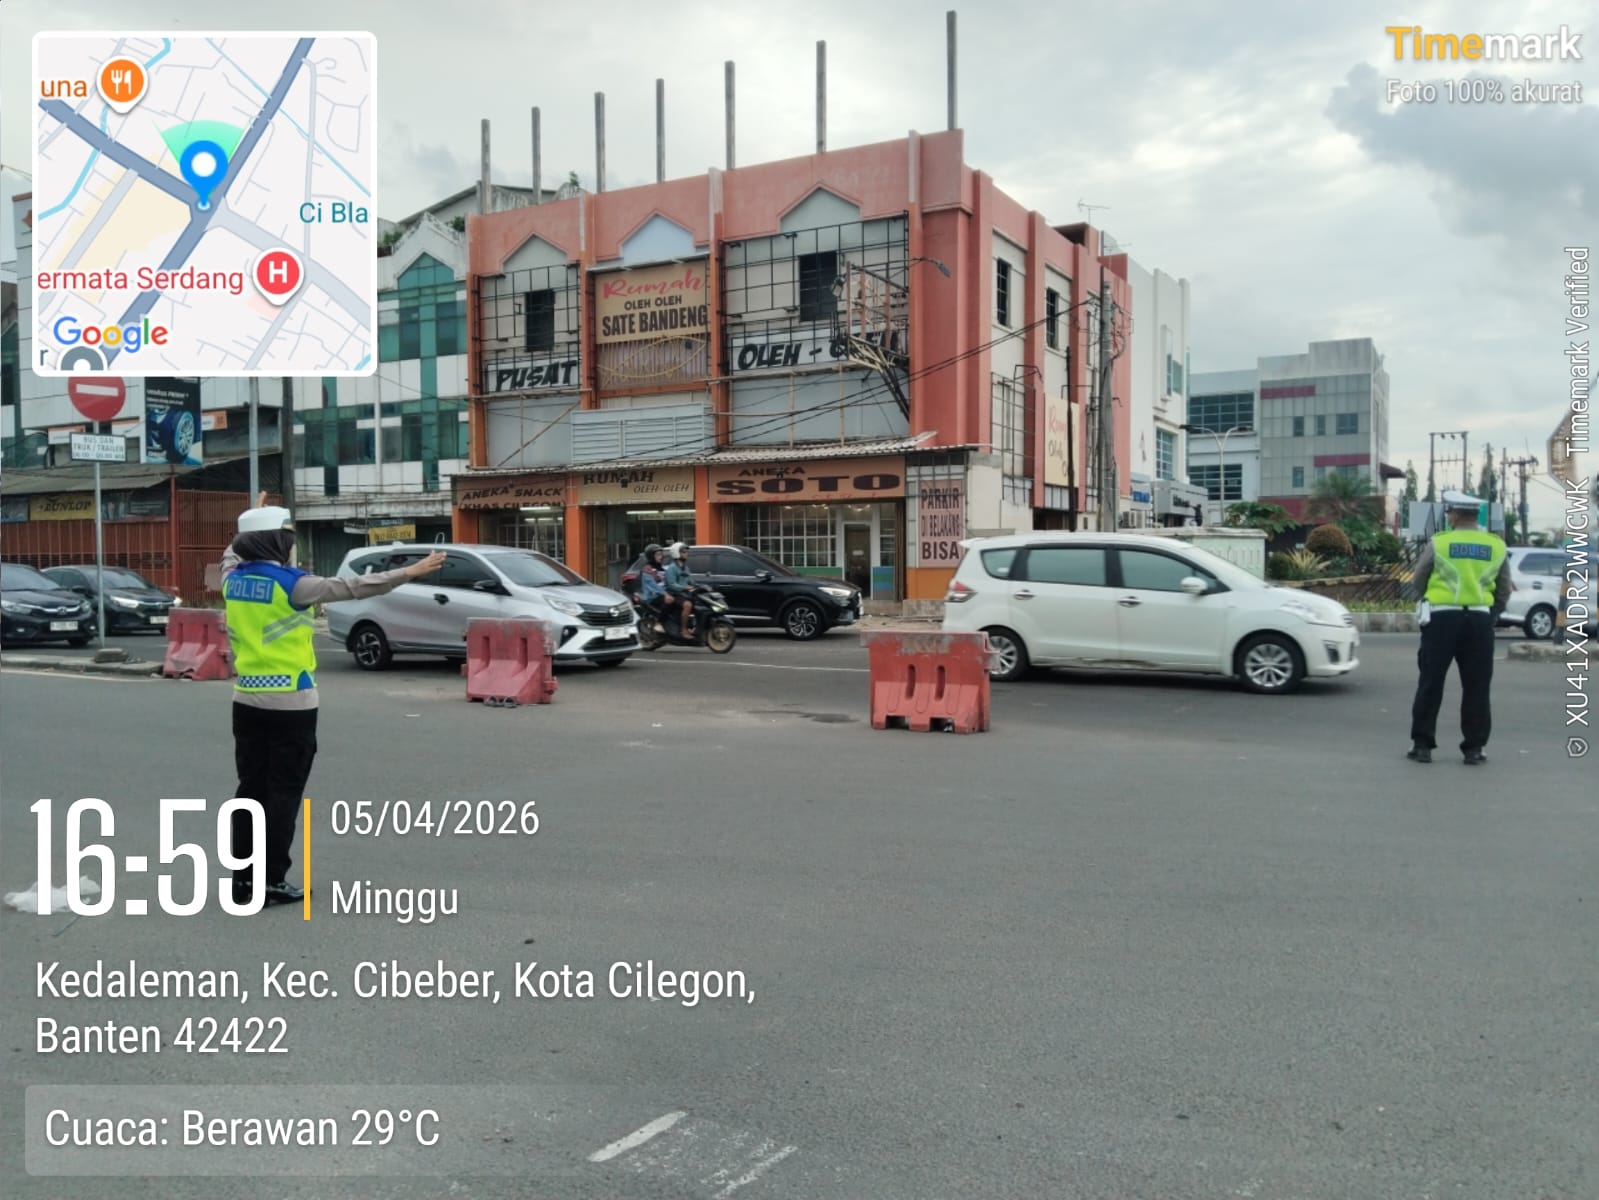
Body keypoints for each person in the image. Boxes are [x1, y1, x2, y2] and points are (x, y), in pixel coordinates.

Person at [221, 493, 445, 907]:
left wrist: (252, 516)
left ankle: (241, 881)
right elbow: (355, 587)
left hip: (246, 701)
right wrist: (410, 571)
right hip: (290, 703)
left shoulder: (231, 579)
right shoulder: (294, 585)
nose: (292, 546)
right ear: (276, 542)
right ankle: (270, 880)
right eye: (288, 539)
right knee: (282, 795)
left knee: (249, 792)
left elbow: (230, 554)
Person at [1406, 490, 1511, 765]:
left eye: (1449, 513)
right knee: (1477, 686)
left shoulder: (1440, 542)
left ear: (1453, 515)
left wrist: (1431, 601)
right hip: (1479, 621)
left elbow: (1418, 579)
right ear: (1476, 516)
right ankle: (1474, 749)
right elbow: (1503, 589)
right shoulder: (1496, 546)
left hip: (1441, 620)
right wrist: (1491, 613)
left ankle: (1422, 746)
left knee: (1431, 682)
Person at [663, 541, 698, 639]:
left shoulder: (685, 568)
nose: (687, 554)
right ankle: (683, 630)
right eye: (684, 552)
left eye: (686, 552)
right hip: (674, 594)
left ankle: (693, 627)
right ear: (676, 553)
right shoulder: (672, 568)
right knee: (688, 605)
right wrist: (685, 587)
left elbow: (690, 580)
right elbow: (672, 585)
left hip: (683, 594)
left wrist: (697, 585)